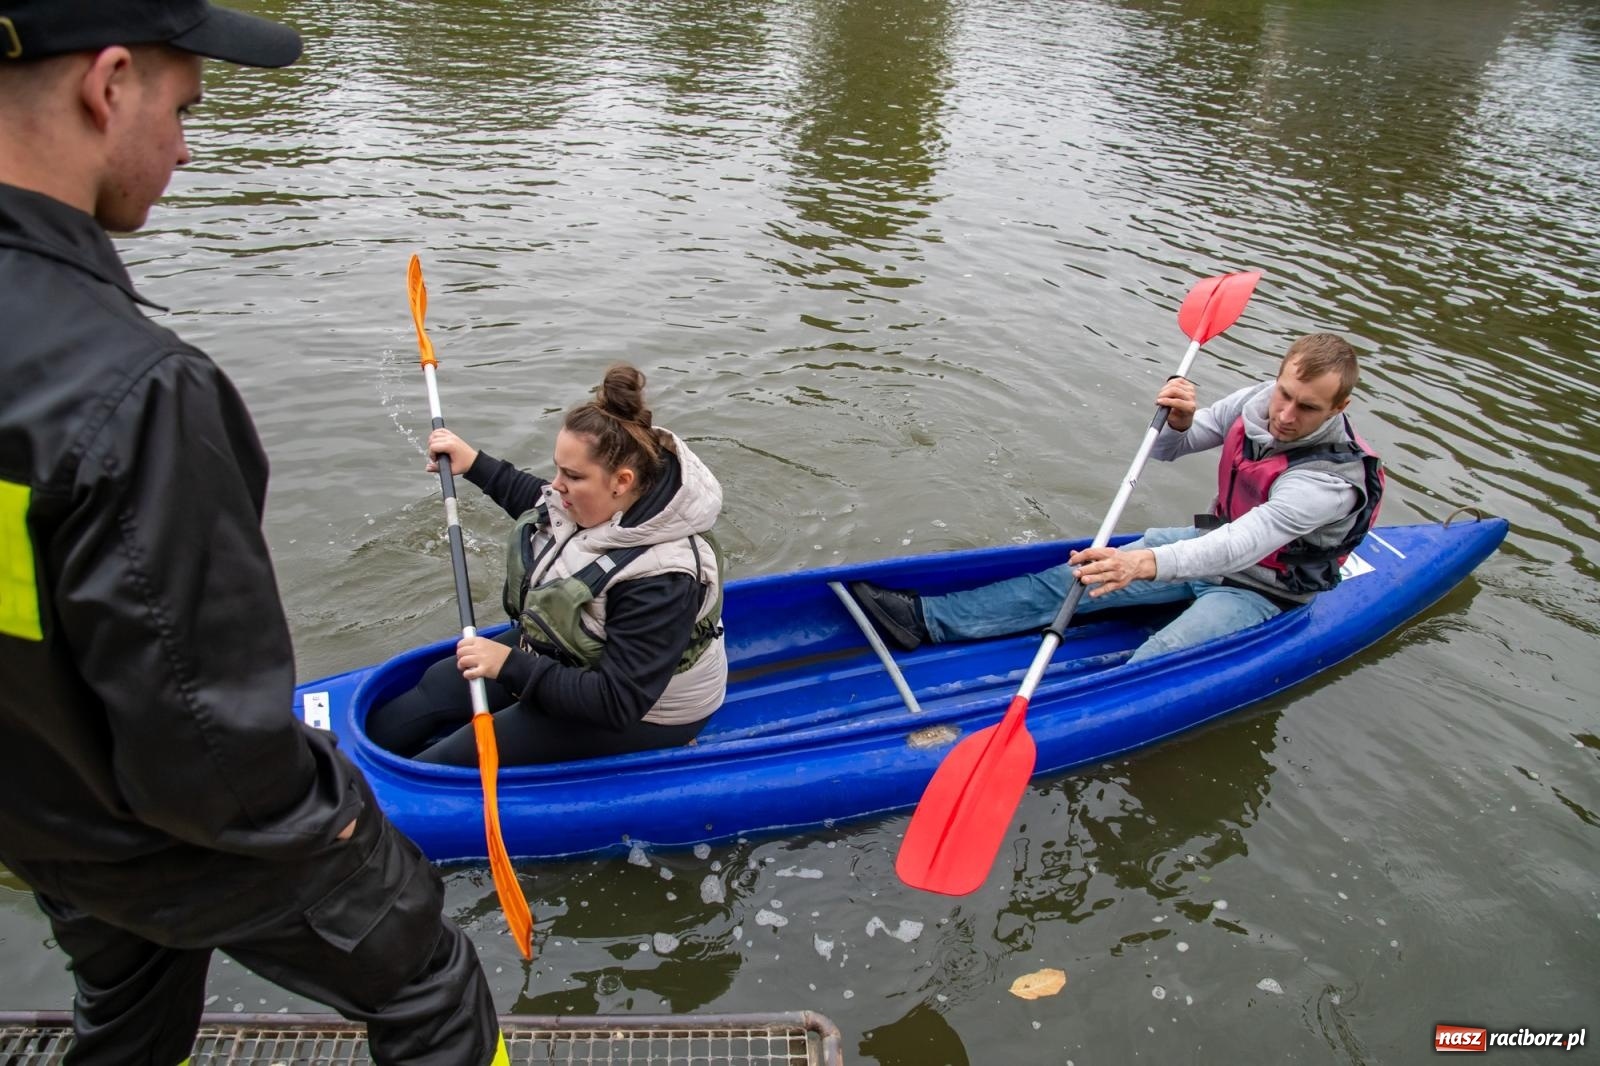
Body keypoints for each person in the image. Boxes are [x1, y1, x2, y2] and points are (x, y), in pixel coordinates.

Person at [0, 4, 506, 1063]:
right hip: (150, 825)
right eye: (183, 108)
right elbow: (215, 766)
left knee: (130, 994)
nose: (185, 146)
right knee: (433, 988)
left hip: (33, 812)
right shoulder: (135, 389)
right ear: (109, 82)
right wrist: (349, 825)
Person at [851, 333, 1384, 664]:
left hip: (1263, 589)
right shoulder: (1255, 402)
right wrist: (1178, 421)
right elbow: (1171, 450)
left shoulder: (1327, 483)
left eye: (1307, 408)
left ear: (1339, 406)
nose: (1285, 415)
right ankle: (926, 619)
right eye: (1284, 393)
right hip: (1205, 548)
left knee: (1157, 661)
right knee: (1073, 577)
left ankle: (1056, 723)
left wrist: (1143, 562)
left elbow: (1242, 546)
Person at [365, 363, 728, 765]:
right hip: (574, 657)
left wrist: (510, 665)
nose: (557, 485)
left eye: (571, 475)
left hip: (643, 711)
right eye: (557, 468)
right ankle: (340, 758)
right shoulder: (598, 499)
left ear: (621, 481)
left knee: (458, 758)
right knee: (440, 685)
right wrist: (473, 462)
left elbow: (616, 700)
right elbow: (540, 504)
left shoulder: (663, 578)